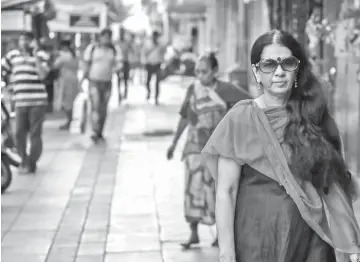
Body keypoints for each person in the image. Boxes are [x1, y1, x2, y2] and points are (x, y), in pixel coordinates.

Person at [201, 30, 360, 262]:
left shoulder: (314, 115)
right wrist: (227, 254)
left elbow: (332, 183)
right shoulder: (240, 119)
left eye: (287, 63)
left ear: (297, 69)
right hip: (255, 238)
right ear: (256, 71)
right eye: (268, 65)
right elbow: (226, 191)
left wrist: (347, 241)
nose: (279, 72)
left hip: (310, 237)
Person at [166, 52, 251, 250]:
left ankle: (221, 234)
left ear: (215, 72)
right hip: (194, 149)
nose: (199, 75)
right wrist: (174, 143)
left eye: (204, 71)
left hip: (218, 151)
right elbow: (185, 118)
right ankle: (193, 233)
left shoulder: (227, 90)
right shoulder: (192, 90)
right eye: (197, 71)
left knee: (218, 192)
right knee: (192, 190)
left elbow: (250, 106)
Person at [1, 31, 50, 174]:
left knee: (35, 133)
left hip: (38, 102)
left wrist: (35, 56)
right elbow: (2, 69)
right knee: (18, 133)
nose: (23, 42)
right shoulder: (12, 56)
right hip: (20, 101)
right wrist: (8, 85)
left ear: (32, 41)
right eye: (21, 40)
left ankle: (32, 162)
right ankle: (23, 159)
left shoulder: (41, 56)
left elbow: (43, 75)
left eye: (27, 40)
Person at [81, 28, 121, 143]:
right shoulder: (92, 48)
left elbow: (119, 63)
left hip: (107, 82)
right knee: (96, 106)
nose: (106, 39)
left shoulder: (114, 50)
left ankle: (100, 131)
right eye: (104, 37)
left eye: (108, 37)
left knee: (103, 108)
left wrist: (116, 68)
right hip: (94, 81)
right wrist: (83, 77)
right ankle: (94, 130)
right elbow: (86, 63)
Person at [53, 39, 79, 130]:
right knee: (70, 102)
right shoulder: (74, 55)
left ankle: (69, 121)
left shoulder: (63, 56)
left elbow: (55, 65)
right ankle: (70, 120)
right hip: (74, 80)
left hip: (66, 81)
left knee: (65, 102)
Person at [143, 31, 167, 105]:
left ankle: (156, 98)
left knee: (157, 82)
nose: (155, 38)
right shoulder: (148, 44)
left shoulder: (160, 45)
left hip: (157, 64)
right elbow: (144, 53)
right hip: (149, 64)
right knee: (148, 81)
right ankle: (149, 93)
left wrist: (163, 63)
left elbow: (163, 53)